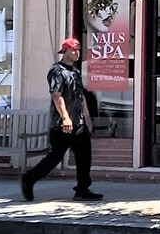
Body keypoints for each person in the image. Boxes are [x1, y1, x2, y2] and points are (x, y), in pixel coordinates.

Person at [22, 38, 102, 202]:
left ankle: (82, 189)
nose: (76, 53)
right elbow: (56, 96)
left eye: (78, 50)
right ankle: (29, 179)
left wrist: (87, 118)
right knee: (55, 157)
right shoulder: (57, 71)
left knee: (84, 155)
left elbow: (81, 97)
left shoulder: (75, 72)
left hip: (78, 123)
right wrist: (65, 118)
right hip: (62, 124)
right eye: (73, 50)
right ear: (65, 51)